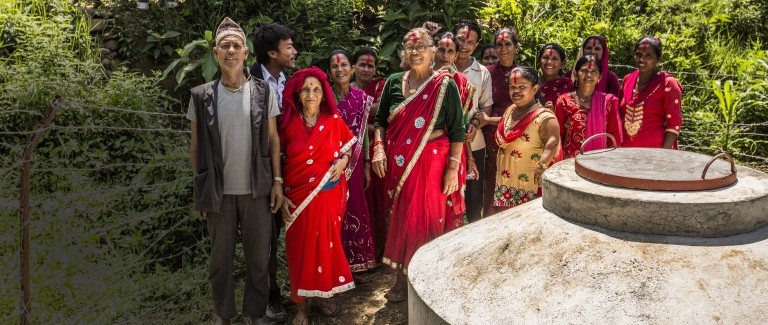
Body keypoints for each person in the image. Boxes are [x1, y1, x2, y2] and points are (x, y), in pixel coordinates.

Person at [187, 17, 283, 325]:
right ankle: (223, 314)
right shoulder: (201, 96)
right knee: (220, 261)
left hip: (257, 189)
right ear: (215, 53)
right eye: (225, 46)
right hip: (218, 192)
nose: (231, 50)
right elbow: (195, 147)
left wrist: (277, 182)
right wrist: (200, 190)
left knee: (259, 258)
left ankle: (255, 313)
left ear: (246, 53)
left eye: (236, 46)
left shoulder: (263, 92)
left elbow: (273, 138)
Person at [372, 27, 465, 303]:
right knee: (401, 218)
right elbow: (379, 121)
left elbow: (458, 130)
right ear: (404, 52)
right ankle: (401, 278)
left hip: (433, 165)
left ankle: (428, 277)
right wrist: (378, 147)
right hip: (397, 162)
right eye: (410, 47)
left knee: (426, 219)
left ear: (432, 51)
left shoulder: (445, 85)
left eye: (421, 47)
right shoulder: (392, 82)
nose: (415, 52)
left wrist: (452, 169)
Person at [279, 67, 356, 325]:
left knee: (326, 246)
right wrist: (279, 192)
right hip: (297, 199)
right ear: (298, 95)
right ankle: (302, 308)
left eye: (316, 90)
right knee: (299, 251)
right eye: (306, 90)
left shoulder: (333, 121)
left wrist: (343, 161)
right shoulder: (286, 124)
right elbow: (277, 161)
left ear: (324, 95)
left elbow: (348, 150)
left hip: (328, 196)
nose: (311, 94)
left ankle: (322, 297)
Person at [249, 22, 297, 322]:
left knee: (287, 233)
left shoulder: (289, 82)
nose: (294, 51)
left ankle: (301, 291)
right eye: (288, 46)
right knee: (264, 239)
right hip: (259, 172)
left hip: (290, 171)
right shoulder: (246, 80)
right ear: (271, 51)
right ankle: (270, 298)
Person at [327, 50, 378, 273]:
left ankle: (356, 262)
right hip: (330, 164)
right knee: (332, 214)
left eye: (344, 65)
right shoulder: (324, 97)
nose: (340, 70)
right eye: (335, 66)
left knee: (355, 207)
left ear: (352, 68)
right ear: (329, 71)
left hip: (355, 164)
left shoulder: (361, 99)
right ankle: (335, 265)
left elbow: (363, 136)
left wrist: (366, 164)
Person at [493, 66, 560, 215]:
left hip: (529, 187)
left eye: (522, 87)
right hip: (505, 186)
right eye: (512, 87)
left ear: (535, 88)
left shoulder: (544, 117)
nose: (516, 91)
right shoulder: (510, 110)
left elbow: (553, 142)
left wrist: (542, 164)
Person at [433, 31, 478, 231]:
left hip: (453, 152)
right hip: (427, 151)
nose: (445, 55)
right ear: (433, 50)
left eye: (450, 51)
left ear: (456, 55)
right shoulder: (421, 78)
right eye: (441, 50)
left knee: (449, 198)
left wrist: (468, 158)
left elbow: (461, 127)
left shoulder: (462, 83)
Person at [475, 27, 519, 217]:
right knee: (492, 180)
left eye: (507, 44)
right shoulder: (487, 73)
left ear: (515, 47)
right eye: (499, 44)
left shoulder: (523, 73)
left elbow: (528, 109)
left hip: (518, 134)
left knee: (515, 179)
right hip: (491, 137)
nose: (503, 48)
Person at [453, 19, 493, 223]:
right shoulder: (440, 66)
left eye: (470, 42)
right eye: (460, 39)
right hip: (445, 142)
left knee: (474, 195)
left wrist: (476, 124)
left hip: (474, 142)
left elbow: (486, 105)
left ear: (476, 45)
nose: (464, 45)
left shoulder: (482, 72)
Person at [350, 47, 388, 259]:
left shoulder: (380, 86)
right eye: (362, 64)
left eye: (370, 65)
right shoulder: (346, 88)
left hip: (376, 149)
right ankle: (359, 249)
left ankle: (379, 248)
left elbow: (383, 110)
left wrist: (358, 114)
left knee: (377, 198)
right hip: (351, 152)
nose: (366, 69)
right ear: (353, 66)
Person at [619, 36, 683, 149]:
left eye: (648, 56)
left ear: (658, 59)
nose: (642, 59)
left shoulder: (667, 84)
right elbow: (619, 114)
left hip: (654, 156)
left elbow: (673, 125)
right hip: (625, 152)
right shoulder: (627, 80)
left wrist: (662, 156)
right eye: (638, 54)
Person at [555, 55, 623, 158]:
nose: (589, 75)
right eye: (584, 71)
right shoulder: (564, 101)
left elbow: (614, 137)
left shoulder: (608, 102)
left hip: (599, 162)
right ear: (575, 74)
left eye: (594, 71)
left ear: (600, 77)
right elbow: (557, 136)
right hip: (569, 163)